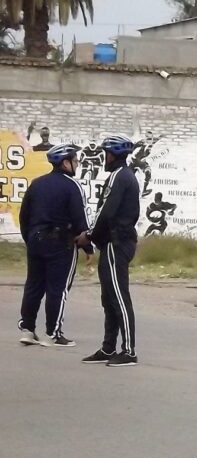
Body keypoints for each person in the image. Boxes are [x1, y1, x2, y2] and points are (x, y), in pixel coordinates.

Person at [18, 144, 93, 347]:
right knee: (57, 288)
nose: (77, 164)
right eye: (75, 160)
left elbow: (24, 215)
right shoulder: (72, 185)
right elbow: (80, 218)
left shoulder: (37, 184)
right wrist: (88, 247)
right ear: (65, 162)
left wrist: (29, 238)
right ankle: (53, 333)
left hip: (35, 239)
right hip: (61, 242)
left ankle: (27, 329)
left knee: (33, 285)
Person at [82, 135, 141, 367]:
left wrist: (89, 235)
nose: (103, 158)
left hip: (118, 243)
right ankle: (108, 347)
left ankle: (129, 351)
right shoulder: (122, 176)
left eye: (105, 153)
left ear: (114, 154)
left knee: (119, 296)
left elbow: (106, 212)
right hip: (111, 244)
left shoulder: (120, 177)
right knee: (108, 298)